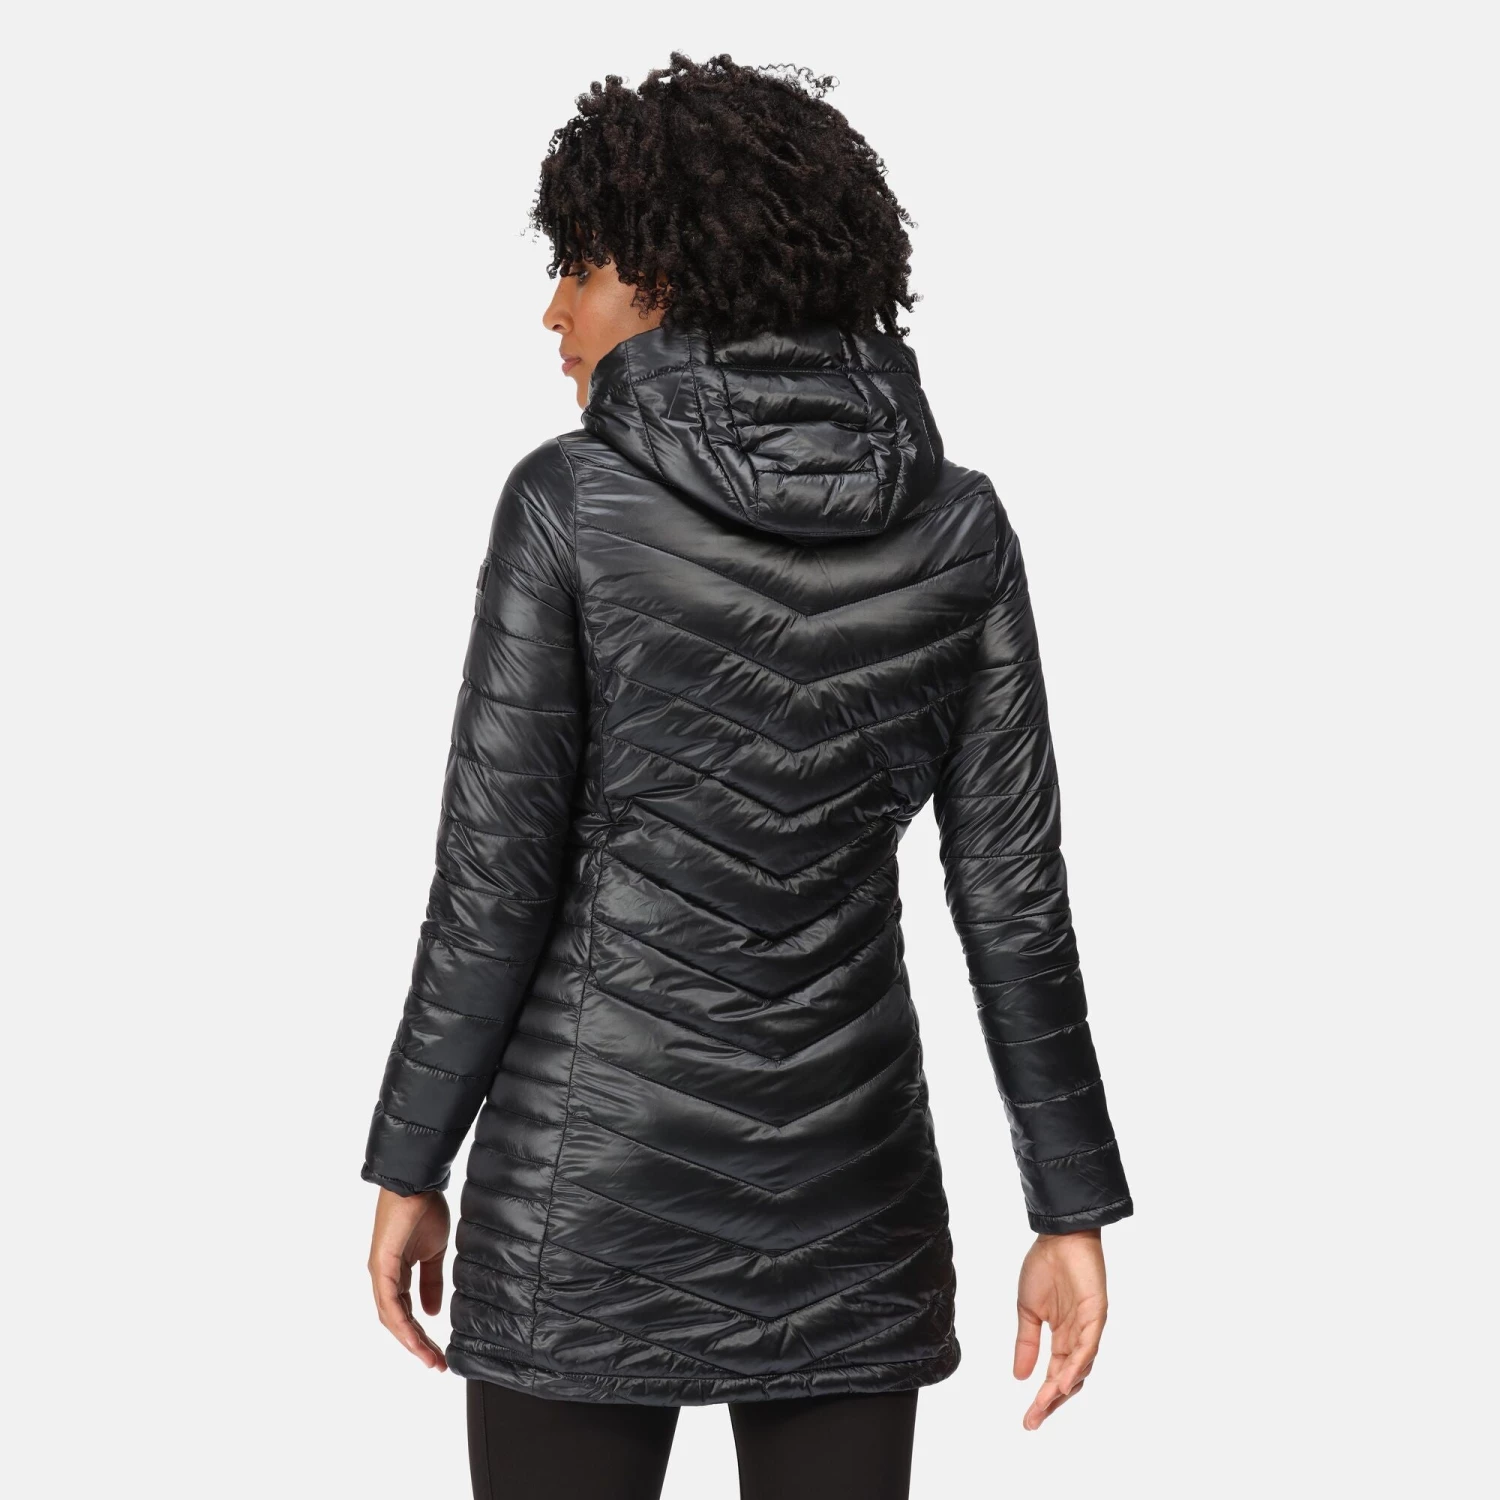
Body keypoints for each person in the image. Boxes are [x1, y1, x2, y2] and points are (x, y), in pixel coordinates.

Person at [362, 51, 1133, 1500]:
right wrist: (1070, 1205)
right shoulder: (960, 528)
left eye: (578, 266)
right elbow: (1014, 897)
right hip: (855, 1202)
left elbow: (491, 886)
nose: (553, 311)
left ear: (660, 276)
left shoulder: (569, 504)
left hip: (582, 1199)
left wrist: (412, 1162)